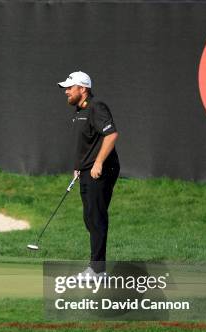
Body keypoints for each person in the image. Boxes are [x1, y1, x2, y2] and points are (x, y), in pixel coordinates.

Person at [58, 71, 120, 275]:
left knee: (96, 217)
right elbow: (88, 143)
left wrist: (98, 163)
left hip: (99, 170)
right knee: (89, 218)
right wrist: (79, 167)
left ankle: (97, 270)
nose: (66, 91)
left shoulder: (96, 107)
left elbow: (111, 135)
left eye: (70, 87)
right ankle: (96, 268)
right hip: (86, 171)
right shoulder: (79, 110)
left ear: (82, 89)